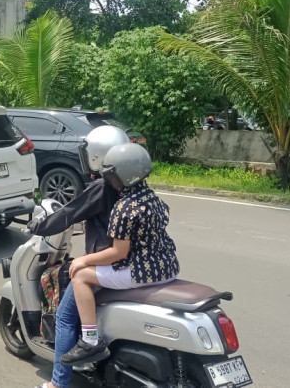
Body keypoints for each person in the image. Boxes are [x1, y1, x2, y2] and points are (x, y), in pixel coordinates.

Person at [59, 143, 180, 366]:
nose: (108, 179)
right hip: (168, 268)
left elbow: (118, 252)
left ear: (121, 175)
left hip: (141, 272)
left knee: (80, 276)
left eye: (111, 174)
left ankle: (89, 340)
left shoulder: (124, 206)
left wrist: (82, 259)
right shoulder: (154, 199)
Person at [30, 126, 129, 388]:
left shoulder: (102, 187)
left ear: (97, 155)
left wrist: (36, 227)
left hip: (106, 261)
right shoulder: (134, 183)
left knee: (64, 317)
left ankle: (58, 383)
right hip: (134, 262)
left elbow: (68, 214)